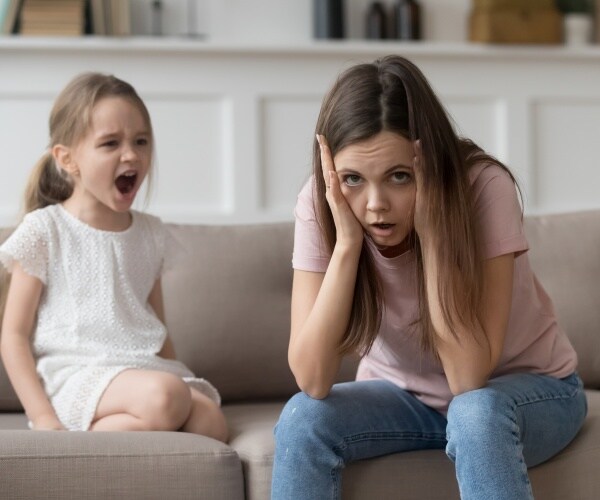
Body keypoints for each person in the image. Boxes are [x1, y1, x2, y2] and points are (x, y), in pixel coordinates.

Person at [271, 55, 587, 499]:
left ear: (430, 162)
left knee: (474, 413)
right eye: (353, 179)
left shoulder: (484, 187)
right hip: (404, 398)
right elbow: (312, 379)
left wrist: (434, 236)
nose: (375, 204)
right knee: (304, 418)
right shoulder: (323, 202)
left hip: (525, 392)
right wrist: (346, 247)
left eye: (399, 176)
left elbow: (467, 381)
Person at [0, 72, 228, 441]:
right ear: (67, 159)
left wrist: (175, 372)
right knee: (167, 396)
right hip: (77, 374)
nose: (131, 154)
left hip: (143, 370)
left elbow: (157, 325)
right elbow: (13, 335)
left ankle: (99, 439)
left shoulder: (151, 234)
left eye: (141, 141)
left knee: (211, 423)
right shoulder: (45, 231)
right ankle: (75, 437)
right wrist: (42, 416)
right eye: (110, 143)